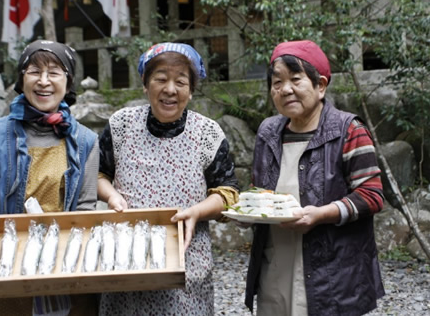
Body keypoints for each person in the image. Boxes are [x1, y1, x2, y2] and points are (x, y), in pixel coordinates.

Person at [97, 42, 239, 315]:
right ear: (145, 83)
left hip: (186, 263)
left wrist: (197, 211)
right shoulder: (121, 125)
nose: (170, 89)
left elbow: (228, 193)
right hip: (126, 260)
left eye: (180, 81)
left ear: (191, 90)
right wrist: (111, 195)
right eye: (161, 79)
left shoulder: (207, 133)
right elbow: (99, 175)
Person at [244, 40, 385, 315]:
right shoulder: (268, 132)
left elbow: (372, 195)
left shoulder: (349, 129)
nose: (285, 89)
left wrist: (320, 214)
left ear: (320, 85)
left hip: (332, 275)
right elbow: (259, 191)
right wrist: (245, 210)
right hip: (276, 263)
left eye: (295, 80)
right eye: (277, 82)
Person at [0, 40, 99, 316]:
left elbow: (86, 209)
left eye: (54, 72)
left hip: (65, 269)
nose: (43, 81)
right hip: (3, 265)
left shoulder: (86, 140)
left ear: (68, 81)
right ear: (21, 78)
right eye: (34, 71)